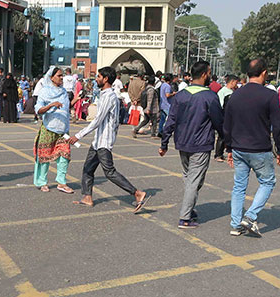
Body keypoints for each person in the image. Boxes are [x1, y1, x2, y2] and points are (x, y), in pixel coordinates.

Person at [69, 66, 151, 211]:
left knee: (109, 172)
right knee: (88, 169)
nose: (96, 79)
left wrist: (78, 135)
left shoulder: (109, 96)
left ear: (106, 79)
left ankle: (137, 193)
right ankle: (87, 197)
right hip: (97, 141)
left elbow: (98, 120)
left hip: (104, 142)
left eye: (99, 76)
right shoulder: (104, 94)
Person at [223, 58, 280, 237]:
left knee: (239, 186)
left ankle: (235, 224)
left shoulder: (234, 95)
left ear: (247, 73)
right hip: (260, 148)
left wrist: (228, 148)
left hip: (238, 147)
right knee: (267, 182)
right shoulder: (270, 95)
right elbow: (278, 126)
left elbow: (227, 125)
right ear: (264, 72)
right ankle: (250, 216)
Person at [159, 60, 222, 229]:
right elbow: (219, 122)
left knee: (190, 178)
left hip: (183, 143)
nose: (210, 76)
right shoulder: (210, 97)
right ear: (203, 75)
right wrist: (227, 142)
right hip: (200, 144)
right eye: (209, 72)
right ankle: (185, 217)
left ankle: (190, 208)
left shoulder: (180, 96)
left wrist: (164, 143)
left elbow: (170, 121)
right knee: (194, 180)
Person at [33, 66, 74, 193]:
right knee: (45, 156)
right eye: (59, 76)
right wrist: (51, 105)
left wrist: (76, 100)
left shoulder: (63, 91)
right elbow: (38, 110)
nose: (62, 78)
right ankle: (42, 182)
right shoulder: (45, 91)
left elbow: (66, 108)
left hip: (63, 129)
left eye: (62, 75)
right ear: (51, 77)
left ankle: (61, 182)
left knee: (65, 155)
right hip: (49, 127)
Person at [214, 75, 238, 161]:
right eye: (236, 82)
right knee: (222, 136)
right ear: (232, 82)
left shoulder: (233, 92)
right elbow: (220, 105)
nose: (236, 84)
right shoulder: (223, 92)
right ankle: (218, 154)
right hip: (224, 116)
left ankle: (229, 152)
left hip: (232, 117)